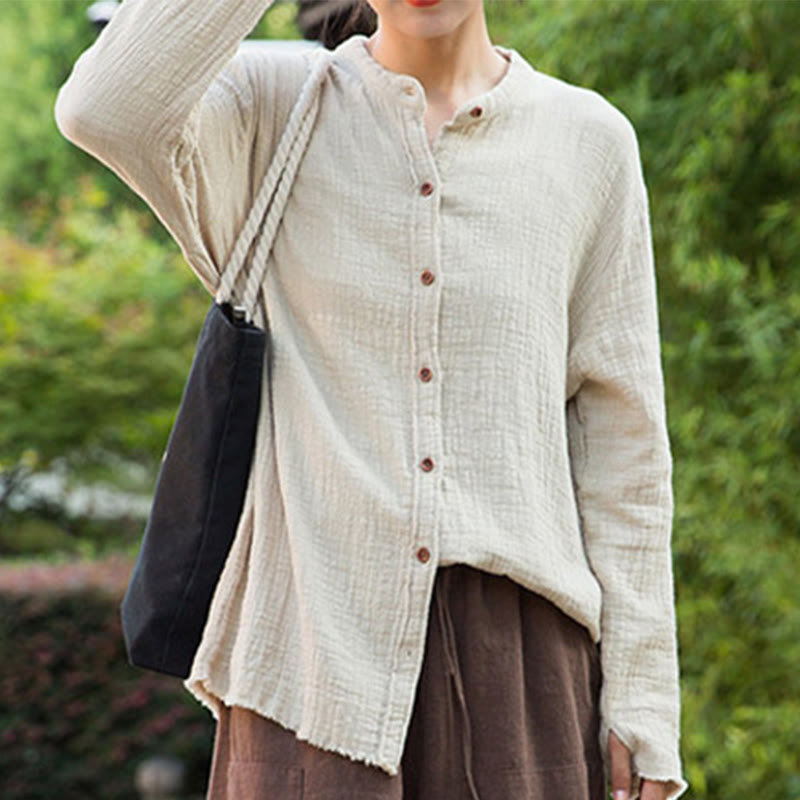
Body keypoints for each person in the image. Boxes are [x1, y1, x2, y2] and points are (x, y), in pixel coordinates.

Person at [54, 0, 689, 798]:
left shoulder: (588, 142)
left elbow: (622, 443)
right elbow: (101, 108)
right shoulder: (271, 110)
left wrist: (642, 701)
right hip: (306, 665)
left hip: (518, 673)